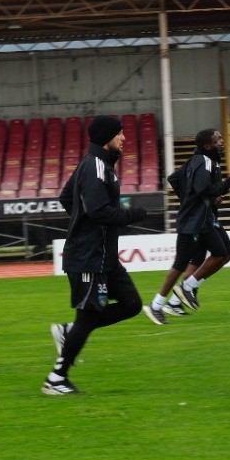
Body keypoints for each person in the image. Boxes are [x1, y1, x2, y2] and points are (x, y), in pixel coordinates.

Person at [44, 115, 149, 395]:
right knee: (88, 318)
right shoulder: (95, 167)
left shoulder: (96, 165)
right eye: (120, 134)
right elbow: (99, 211)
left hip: (105, 258)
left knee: (131, 304)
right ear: (107, 137)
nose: (124, 138)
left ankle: (69, 332)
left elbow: (67, 198)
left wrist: (82, 221)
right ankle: (57, 378)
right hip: (88, 257)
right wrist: (133, 215)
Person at [147, 128, 230, 323]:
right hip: (195, 221)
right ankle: (159, 303)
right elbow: (202, 189)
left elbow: (174, 180)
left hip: (203, 218)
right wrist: (229, 183)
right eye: (218, 138)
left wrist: (199, 200)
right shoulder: (204, 161)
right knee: (185, 262)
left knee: (220, 254)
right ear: (207, 145)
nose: (222, 141)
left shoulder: (201, 160)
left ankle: (175, 302)